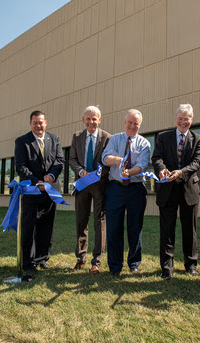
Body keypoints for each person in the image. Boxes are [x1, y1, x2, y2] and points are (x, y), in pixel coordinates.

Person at [152, 104, 200, 280]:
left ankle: (191, 265)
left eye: (187, 118)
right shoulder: (162, 137)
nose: (183, 122)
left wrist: (181, 172)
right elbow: (156, 157)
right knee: (167, 230)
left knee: (190, 230)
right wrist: (162, 169)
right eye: (180, 118)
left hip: (189, 189)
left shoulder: (198, 139)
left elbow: (197, 162)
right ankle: (167, 268)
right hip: (167, 189)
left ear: (192, 120)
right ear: (176, 119)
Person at [102, 109, 151, 276]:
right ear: (125, 123)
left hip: (136, 189)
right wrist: (118, 161)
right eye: (130, 122)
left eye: (135, 123)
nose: (132, 126)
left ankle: (134, 263)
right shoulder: (114, 139)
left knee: (135, 227)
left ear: (139, 125)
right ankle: (115, 266)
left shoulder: (144, 143)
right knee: (114, 228)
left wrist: (129, 172)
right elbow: (105, 158)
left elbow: (142, 165)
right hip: (115, 188)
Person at [14, 110, 64, 275]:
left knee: (46, 226)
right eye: (35, 122)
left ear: (46, 122)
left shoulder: (54, 139)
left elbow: (59, 160)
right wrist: (37, 181)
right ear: (30, 123)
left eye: (41, 122)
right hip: (31, 190)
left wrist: (51, 176)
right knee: (29, 227)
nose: (38, 125)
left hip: (50, 190)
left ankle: (42, 259)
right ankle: (28, 262)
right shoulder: (22, 141)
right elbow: (20, 166)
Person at [68, 106, 111, 274]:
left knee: (99, 223)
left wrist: (98, 174)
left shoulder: (107, 138)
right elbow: (71, 158)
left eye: (94, 119)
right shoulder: (76, 137)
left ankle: (97, 261)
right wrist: (80, 171)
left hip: (100, 186)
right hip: (81, 184)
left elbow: (108, 160)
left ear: (99, 120)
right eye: (88, 119)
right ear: (83, 120)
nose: (91, 122)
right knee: (81, 222)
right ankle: (81, 258)